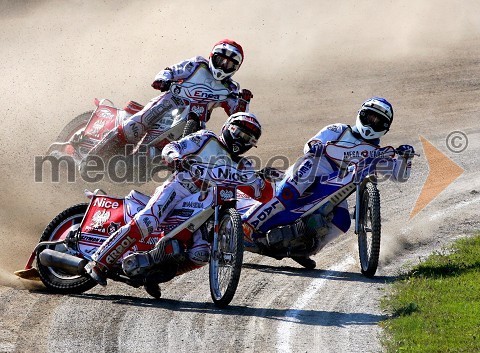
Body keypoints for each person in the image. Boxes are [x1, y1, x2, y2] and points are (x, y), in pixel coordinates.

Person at [85, 112, 264, 298]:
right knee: (148, 220)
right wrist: (175, 157)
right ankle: (99, 261)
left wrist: (265, 179)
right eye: (240, 134)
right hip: (179, 188)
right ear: (229, 127)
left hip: (207, 207)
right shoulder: (206, 138)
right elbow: (174, 146)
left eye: (248, 139)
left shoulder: (244, 165)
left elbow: (259, 191)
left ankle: (153, 275)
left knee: (200, 254)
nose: (242, 140)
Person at [241, 97, 415, 269]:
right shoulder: (338, 129)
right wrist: (316, 147)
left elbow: (400, 176)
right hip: (314, 168)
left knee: (342, 221)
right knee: (287, 194)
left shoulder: (377, 153)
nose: (371, 124)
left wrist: (405, 158)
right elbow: (310, 145)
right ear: (361, 114)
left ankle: (303, 248)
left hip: (338, 187)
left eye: (378, 122)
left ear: (385, 128)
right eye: (370, 117)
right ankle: (247, 227)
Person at [86, 38, 253, 158]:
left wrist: (243, 101)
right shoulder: (196, 64)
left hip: (195, 122)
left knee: (193, 154)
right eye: (221, 60)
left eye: (229, 64)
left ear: (236, 67)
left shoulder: (230, 89)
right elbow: (171, 70)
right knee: (135, 126)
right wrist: (162, 80)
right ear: (212, 56)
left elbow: (237, 117)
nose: (224, 66)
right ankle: (91, 158)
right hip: (168, 104)